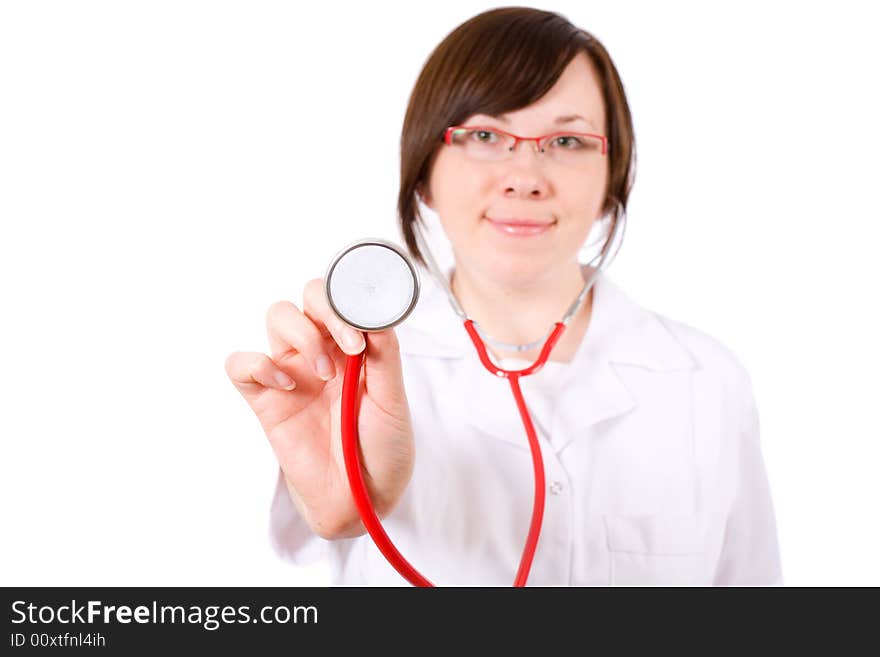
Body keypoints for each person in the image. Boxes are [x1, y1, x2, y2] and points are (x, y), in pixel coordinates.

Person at [225, 7, 783, 586]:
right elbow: (321, 526)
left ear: (613, 173)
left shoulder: (708, 381)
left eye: (566, 139)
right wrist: (345, 498)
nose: (525, 175)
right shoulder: (348, 376)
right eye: (485, 135)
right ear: (424, 173)